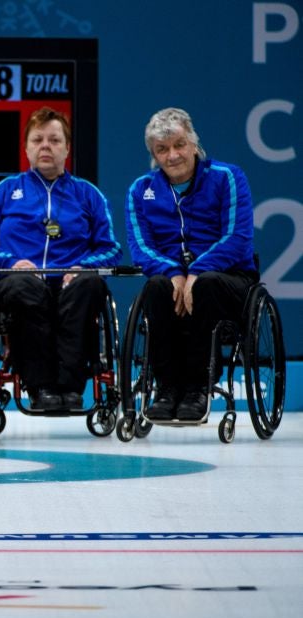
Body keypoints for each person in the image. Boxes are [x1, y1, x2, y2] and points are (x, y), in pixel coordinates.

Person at [0, 106, 122, 411]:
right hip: (20, 282)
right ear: (27, 147)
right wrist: (11, 263)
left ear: (67, 148)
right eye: (38, 139)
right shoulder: (5, 191)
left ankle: (71, 388)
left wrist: (82, 267)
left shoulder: (89, 194)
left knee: (88, 286)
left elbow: (111, 249)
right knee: (24, 288)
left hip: (73, 283)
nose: (46, 146)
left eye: (55, 140)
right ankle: (41, 386)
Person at [125, 107, 258, 421]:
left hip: (228, 279)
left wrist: (196, 272)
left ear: (194, 144)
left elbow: (237, 238)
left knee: (208, 284)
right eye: (162, 149)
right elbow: (141, 249)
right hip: (171, 280)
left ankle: (198, 387)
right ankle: (167, 389)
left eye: (179, 145)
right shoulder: (140, 190)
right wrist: (174, 274)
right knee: (155, 287)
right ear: (154, 155)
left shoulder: (228, 177)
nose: (172, 155)